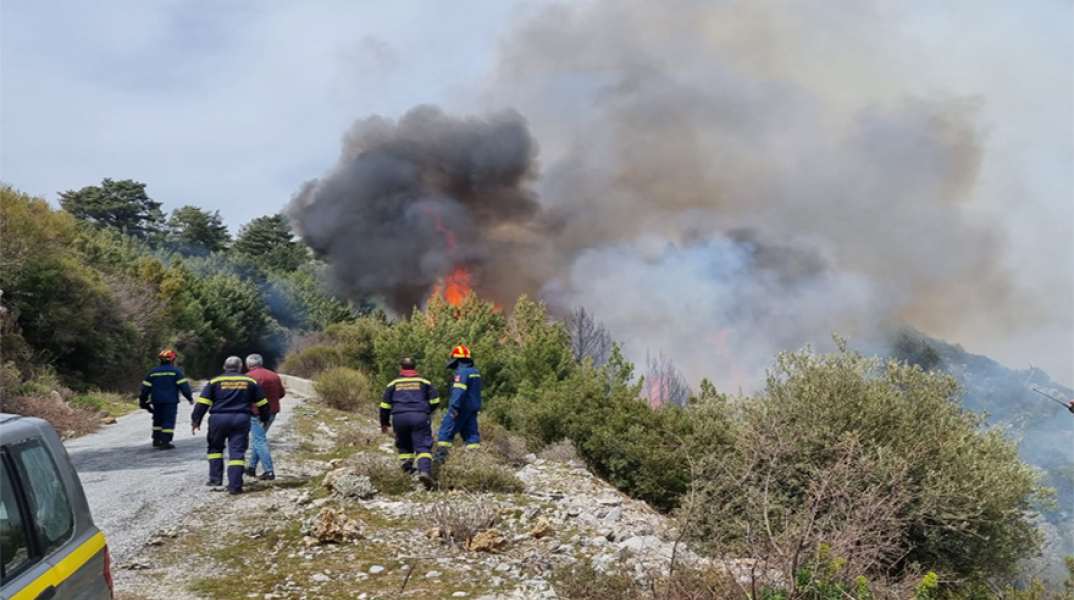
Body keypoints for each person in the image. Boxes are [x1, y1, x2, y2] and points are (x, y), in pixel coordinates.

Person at [192, 356, 271, 495]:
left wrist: (196, 420)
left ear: (224, 367)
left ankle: (215, 479)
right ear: (241, 368)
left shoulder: (214, 381)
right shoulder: (250, 381)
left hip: (218, 419)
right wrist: (265, 418)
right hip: (240, 419)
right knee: (237, 451)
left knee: (215, 448)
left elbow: (202, 403)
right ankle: (235, 486)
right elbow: (263, 403)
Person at [380, 357, 440, 489]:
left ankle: (407, 471)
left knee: (404, 444)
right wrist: (426, 411)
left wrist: (384, 423)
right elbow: (436, 401)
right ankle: (424, 471)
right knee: (423, 445)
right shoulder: (424, 381)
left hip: (399, 417)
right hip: (420, 416)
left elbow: (384, 406)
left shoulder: (393, 384)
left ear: (400, 367)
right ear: (414, 367)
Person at [434, 345, 482, 465]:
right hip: (473, 408)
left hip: (460, 408)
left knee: (446, 431)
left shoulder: (462, 373)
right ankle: (475, 462)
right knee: (471, 435)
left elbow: (459, 391)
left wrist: (454, 407)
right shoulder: (475, 372)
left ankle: (439, 462)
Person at [138, 349, 194, 450]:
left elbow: (145, 388)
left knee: (157, 419)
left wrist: (143, 400)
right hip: (170, 401)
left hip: (156, 400)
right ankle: (165, 441)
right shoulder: (176, 372)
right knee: (168, 420)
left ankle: (156, 439)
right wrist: (189, 398)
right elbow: (184, 386)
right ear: (172, 360)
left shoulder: (152, 372)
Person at [243, 353, 285, 481]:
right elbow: (281, 393)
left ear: (248, 365)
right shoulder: (274, 375)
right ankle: (251, 467)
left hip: (256, 413)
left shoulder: (248, 377)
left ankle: (269, 471)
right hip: (272, 411)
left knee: (260, 441)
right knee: (259, 439)